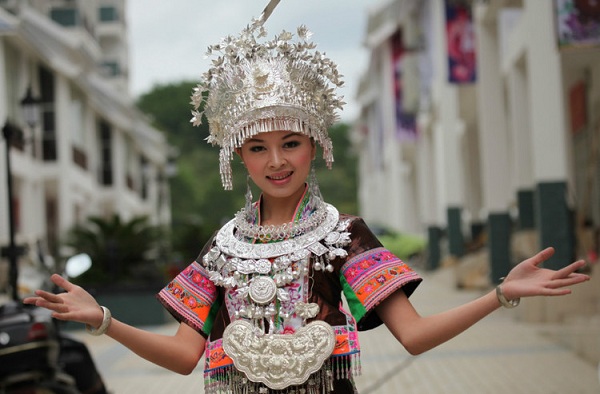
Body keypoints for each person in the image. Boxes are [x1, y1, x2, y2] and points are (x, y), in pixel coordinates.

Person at [24, 3, 590, 393]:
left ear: (315, 146)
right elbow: (182, 356)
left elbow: (414, 337)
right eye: (258, 148)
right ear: (237, 158)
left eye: (291, 143)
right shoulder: (222, 248)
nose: (276, 161)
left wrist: (500, 294)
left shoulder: (344, 236)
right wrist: (102, 320)